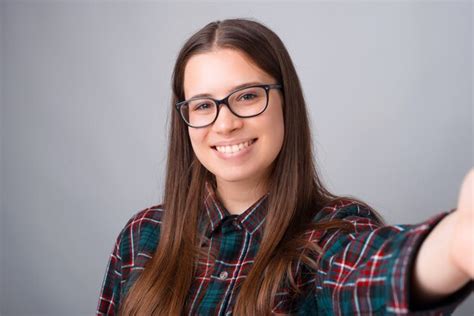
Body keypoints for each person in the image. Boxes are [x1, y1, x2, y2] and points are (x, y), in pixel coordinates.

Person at [96, 18, 473, 315]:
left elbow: (371, 276)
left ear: (285, 103)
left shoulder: (333, 234)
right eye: (203, 105)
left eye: (246, 96)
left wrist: (455, 246)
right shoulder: (142, 236)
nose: (225, 124)